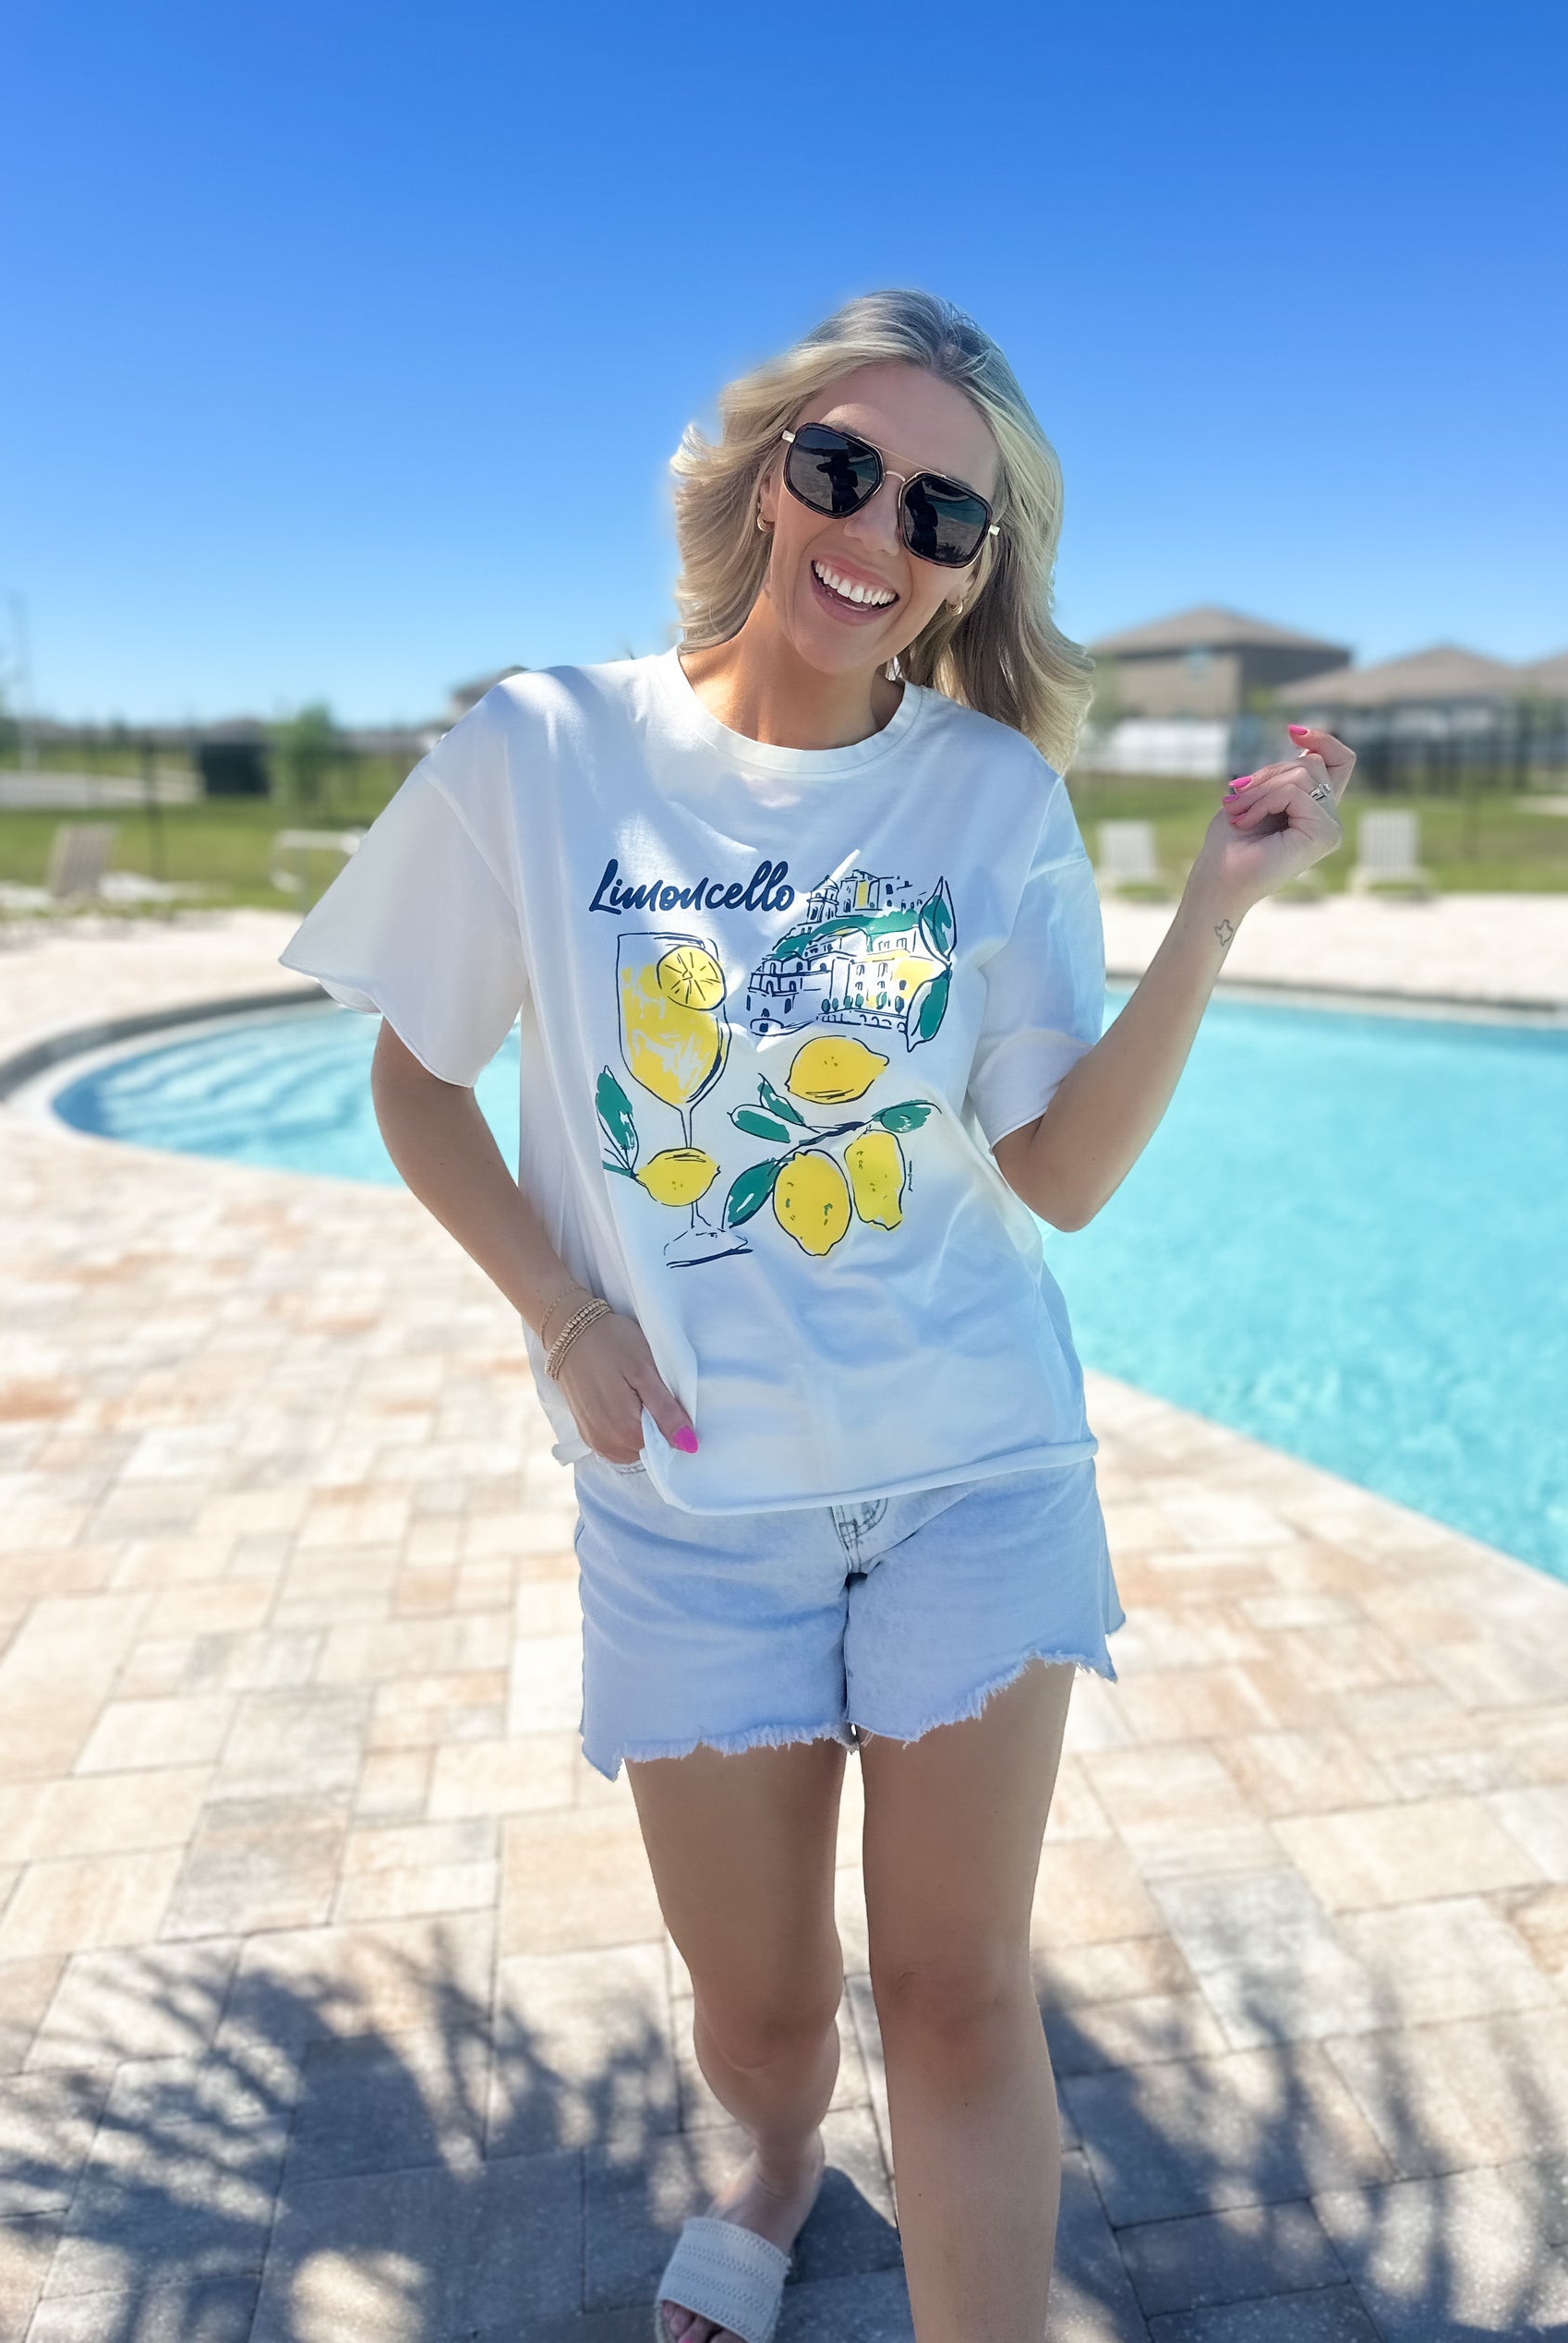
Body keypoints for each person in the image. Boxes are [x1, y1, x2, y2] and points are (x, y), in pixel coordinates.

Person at [278, 290, 1352, 2343]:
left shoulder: (990, 800)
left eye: (943, 512)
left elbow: (1056, 1177)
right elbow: (416, 1083)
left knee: (956, 1994)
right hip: (692, 1512)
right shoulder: (548, 749)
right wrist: (560, 1312)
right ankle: (774, 2165)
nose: (878, 533)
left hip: (972, 1476)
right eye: (843, 469)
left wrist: (1212, 917)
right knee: (760, 2012)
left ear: (975, 565)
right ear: (767, 477)